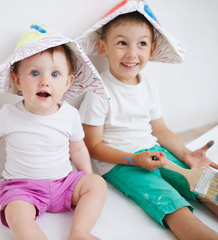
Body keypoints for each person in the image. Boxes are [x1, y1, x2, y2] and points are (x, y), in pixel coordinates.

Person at [0, 23, 109, 240]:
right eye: (34, 73)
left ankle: (79, 232)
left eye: (55, 74)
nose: (44, 81)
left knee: (97, 184)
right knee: (15, 211)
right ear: (17, 80)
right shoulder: (9, 114)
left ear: (67, 82)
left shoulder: (69, 115)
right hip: (23, 189)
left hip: (63, 183)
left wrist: (85, 177)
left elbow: (78, 147)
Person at [77, 1, 218, 239]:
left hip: (155, 151)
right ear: (103, 47)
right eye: (122, 43)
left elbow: (160, 130)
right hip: (120, 163)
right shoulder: (98, 92)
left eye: (141, 44)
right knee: (172, 204)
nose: (132, 53)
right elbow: (93, 147)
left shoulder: (149, 86)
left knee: (205, 186)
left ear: (151, 50)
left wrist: (186, 155)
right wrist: (135, 160)